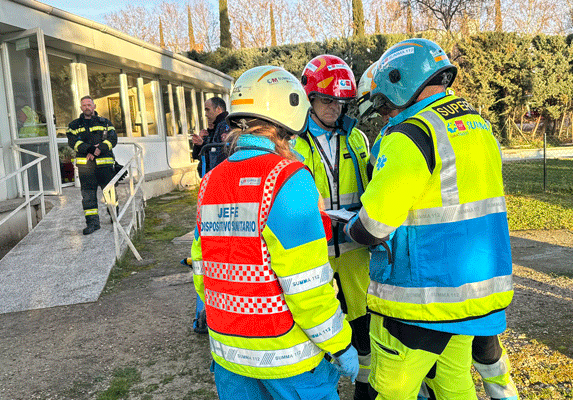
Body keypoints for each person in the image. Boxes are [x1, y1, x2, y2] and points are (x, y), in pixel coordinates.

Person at [344, 38, 515, 400]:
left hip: (420, 299)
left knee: (390, 390)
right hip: (474, 293)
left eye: (385, 102)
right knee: (454, 385)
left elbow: (373, 226)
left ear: (398, 81)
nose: (386, 112)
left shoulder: (410, 135)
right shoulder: (480, 128)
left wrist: (347, 227)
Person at [191, 65, 359, 400]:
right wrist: (339, 345)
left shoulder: (210, 181)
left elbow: (201, 269)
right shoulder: (287, 179)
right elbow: (307, 285)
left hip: (230, 357)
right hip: (288, 362)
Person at [293, 54, 372, 400]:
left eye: (339, 101)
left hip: (354, 250)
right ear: (310, 99)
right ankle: (323, 390)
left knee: (363, 327)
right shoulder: (293, 144)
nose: (334, 108)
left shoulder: (357, 139)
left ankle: (366, 388)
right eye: (326, 100)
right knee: (317, 329)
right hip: (315, 254)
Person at [67, 96, 118, 235]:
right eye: (84, 105)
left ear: (94, 106)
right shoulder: (74, 126)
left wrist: (98, 149)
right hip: (86, 168)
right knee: (88, 196)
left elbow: (113, 139)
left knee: (110, 194)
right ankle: (92, 224)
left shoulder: (105, 123)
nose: (87, 107)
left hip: (105, 166)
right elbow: (73, 142)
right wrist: (89, 149)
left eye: (89, 105)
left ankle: (115, 218)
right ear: (81, 107)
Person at [191, 96, 230, 175]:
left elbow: (219, 154)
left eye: (207, 110)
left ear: (218, 109)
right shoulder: (213, 129)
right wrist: (199, 143)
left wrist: (203, 144)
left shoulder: (225, 126)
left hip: (219, 175)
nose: (206, 114)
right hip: (210, 175)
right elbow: (196, 155)